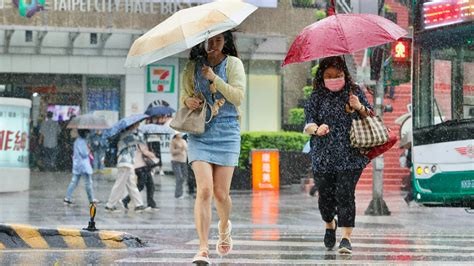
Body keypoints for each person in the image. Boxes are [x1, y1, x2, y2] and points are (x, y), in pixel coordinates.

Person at [180, 30, 246, 264]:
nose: (214, 44)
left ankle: (224, 225)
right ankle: (202, 248)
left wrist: (214, 78)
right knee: (205, 190)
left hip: (227, 132)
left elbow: (238, 97)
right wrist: (189, 101)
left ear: (225, 41)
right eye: (210, 40)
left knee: (221, 193)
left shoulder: (234, 64)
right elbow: (184, 97)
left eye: (218, 39)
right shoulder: (192, 66)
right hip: (199, 131)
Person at [304, 56, 372, 255]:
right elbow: (307, 123)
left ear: (345, 74)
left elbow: (370, 115)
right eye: (329, 76)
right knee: (325, 197)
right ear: (322, 77)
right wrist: (317, 129)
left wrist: (358, 106)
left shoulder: (354, 91)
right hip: (323, 156)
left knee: (345, 195)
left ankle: (346, 237)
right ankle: (329, 224)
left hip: (350, 155)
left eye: (338, 75)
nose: (334, 79)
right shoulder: (316, 96)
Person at [104, 122, 147, 212]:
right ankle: (110, 205)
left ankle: (139, 204)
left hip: (128, 163)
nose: (138, 126)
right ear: (132, 126)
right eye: (136, 125)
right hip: (125, 162)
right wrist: (139, 131)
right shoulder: (127, 135)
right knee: (119, 184)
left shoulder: (126, 134)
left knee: (131, 184)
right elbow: (141, 139)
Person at [122, 140, 159, 210]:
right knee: (141, 186)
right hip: (140, 166)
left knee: (150, 186)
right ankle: (126, 200)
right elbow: (145, 152)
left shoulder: (141, 141)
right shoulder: (140, 141)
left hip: (143, 166)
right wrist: (153, 154)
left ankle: (151, 203)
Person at [64, 129, 96, 204]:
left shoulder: (77, 141)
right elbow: (84, 153)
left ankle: (67, 198)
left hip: (77, 164)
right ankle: (91, 199)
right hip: (84, 165)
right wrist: (88, 149)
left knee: (74, 181)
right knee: (88, 183)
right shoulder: (82, 142)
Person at [170, 132, 188, 199]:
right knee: (179, 177)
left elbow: (187, 150)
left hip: (183, 161)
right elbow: (172, 152)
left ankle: (180, 192)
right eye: (178, 133)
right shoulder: (173, 141)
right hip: (176, 161)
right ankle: (178, 194)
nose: (180, 134)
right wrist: (180, 149)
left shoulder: (184, 141)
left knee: (183, 177)